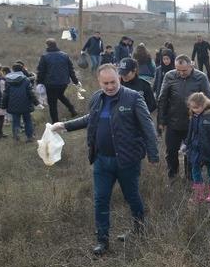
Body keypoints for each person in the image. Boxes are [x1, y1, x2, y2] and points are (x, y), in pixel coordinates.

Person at [51, 64, 158, 255]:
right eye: (105, 83)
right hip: (101, 160)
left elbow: (148, 126)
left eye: (113, 82)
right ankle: (102, 240)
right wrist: (65, 125)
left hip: (127, 160)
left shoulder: (133, 98)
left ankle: (139, 230)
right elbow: (89, 119)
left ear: (120, 79)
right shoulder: (96, 98)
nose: (109, 86)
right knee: (100, 199)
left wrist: (153, 154)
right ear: (99, 82)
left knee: (131, 197)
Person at [158, 55, 210, 180]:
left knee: (191, 152)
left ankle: (190, 177)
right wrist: (161, 120)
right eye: (178, 70)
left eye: (184, 70)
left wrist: (205, 121)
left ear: (191, 66)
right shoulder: (169, 76)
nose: (181, 73)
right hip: (173, 122)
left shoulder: (201, 77)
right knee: (171, 152)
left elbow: (209, 100)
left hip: (192, 123)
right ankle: (173, 176)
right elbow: (162, 99)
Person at [185, 92, 210, 203]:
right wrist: (187, 145)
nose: (194, 110)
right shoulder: (194, 116)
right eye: (192, 108)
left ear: (203, 105)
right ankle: (199, 195)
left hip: (209, 150)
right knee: (195, 171)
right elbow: (190, 133)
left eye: (197, 108)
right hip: (196, 150)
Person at [36, 38, 80, 123]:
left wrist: (39, 82)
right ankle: (72, 109)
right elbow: (71, 70)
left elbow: (41, 71)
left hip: (50, 84)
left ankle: (55, 123)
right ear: (56, 45)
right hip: (63, 83)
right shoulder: (65, 55)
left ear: (47, 46)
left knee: (52, 103)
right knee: (60, 95)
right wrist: (75, 81)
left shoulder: (45, 57)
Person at [3, 63, 39, 142]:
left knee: (15, 121)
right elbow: (31, 93)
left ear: (13, 70)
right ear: (22, 69)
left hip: (13, 104)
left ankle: (16, 135)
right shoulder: (26, 80)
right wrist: (37, 103)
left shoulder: (8, 80)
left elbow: (5, 94)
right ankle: (29, 137)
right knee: (27, 120)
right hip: (26, 104)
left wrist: (3, 105)